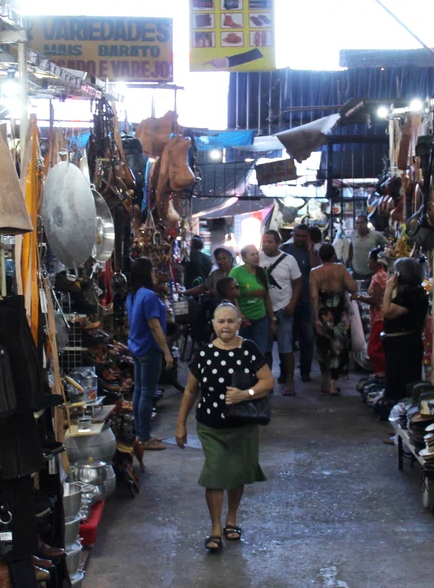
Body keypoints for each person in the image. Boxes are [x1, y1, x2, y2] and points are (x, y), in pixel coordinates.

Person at [175, 302, 274, 553]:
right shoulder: (205, 353)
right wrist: (180, 424)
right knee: (216, 473)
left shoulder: (249, 350)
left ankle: (232, 519)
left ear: (239, 323)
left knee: (237, 474)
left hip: (243, 425)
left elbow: (268, 381)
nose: (226, 326)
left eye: (231, 321)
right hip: (211, 427)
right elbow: (190, 390)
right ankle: (215, 529)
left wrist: (246, 394)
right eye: (221, 321)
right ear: (213, 325)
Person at [125, 257, 175, 451]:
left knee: (139, 391)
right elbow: (154, 326)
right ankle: (144, 438)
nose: (155, 274)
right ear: (147, 273)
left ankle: (141, 434)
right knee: (146, 392)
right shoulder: (149, 296)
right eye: (152, 270)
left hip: (136, 347)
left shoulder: (133, 295)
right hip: (148, 349)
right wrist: (167, 352)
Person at [259, 230, 302, 395]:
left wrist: (292, 304)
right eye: (264, 241)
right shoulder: (258, 259)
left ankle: (290, 382)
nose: (266, 244)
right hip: (263, 310)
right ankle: (267, 381)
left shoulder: (289, 260)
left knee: (286, 348)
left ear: (278, 243)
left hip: (283, 309)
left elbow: (298, 283)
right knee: (266, 348)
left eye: (270, 242)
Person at [311, 244, 357, 396]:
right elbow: (353, 288)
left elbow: (314, 297)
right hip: (339, 314)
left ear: (320, 256)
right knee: (338, 347)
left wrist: (316, 318)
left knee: (324, 346)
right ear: (333, 255)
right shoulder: (341, 269)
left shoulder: (315, 272)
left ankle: (325, 380)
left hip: (324, 314)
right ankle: (333, 383)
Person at [382, 257, 429, 403]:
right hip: (406, 342)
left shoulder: (410, 295)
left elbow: (387, 311)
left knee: (400, 385)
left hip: (402, 346)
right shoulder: (417, 292)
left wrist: (389, 288)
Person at [281, 224, 319, 384]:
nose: (301, 239)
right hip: (286, 301)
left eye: (304, 236)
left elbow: (316, 268)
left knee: (307, 338)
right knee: (286, 338)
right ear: (293, 235)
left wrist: (310, 250)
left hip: (305, 301)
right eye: (298, 236)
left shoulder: (311, 252)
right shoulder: (285, 249)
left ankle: (305, 371)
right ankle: (284, 373)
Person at [229, 245, 275, 356]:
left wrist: (272, 318)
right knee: (243, 352)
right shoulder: (236, 272)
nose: (256, 257)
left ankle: (259, 373)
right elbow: (231, 295)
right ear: (244, 258)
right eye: (252, 254)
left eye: (256, 253)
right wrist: (240, 314)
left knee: (260, 352)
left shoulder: (262, 273)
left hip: (261, 318)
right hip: (243, 320)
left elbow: (267, 297)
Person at [354, 248, 390, 378]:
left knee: (374, 350)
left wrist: (358, 297)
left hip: (380, 317)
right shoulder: (382, 274)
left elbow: (375, 300)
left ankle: (382, 375)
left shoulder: (379, 276)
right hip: (380, 317)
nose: (368, 262)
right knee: (378, 348)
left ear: (377, 262)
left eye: (370, 259)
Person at [349, 215, 388, 282]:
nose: (359, 225)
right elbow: (351, 248)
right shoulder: (353, 234)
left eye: (362, 222)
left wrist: (380, 261)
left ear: (367, 223)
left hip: (371, 272)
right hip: (356, 271)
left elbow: (387, 246)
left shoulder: (376, 235)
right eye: (357, 223)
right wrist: (350, 262)